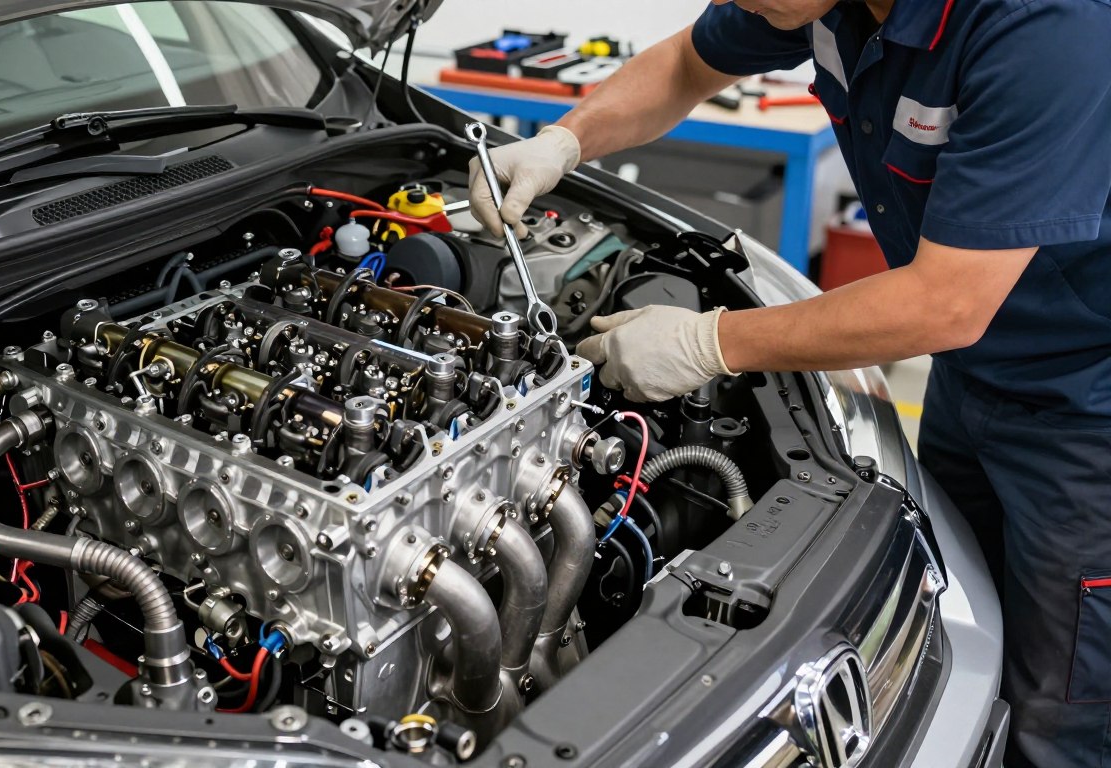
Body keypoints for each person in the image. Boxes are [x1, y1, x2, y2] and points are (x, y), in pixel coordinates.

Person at [467, 0, 1111, 765]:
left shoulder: (1049, 28)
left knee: (1062, 712)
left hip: (1086, 409)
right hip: (972, 377)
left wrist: (714, 342)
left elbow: (948, 302)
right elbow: (686, 64)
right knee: (963, 634)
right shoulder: (813, 3)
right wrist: (564, 140)